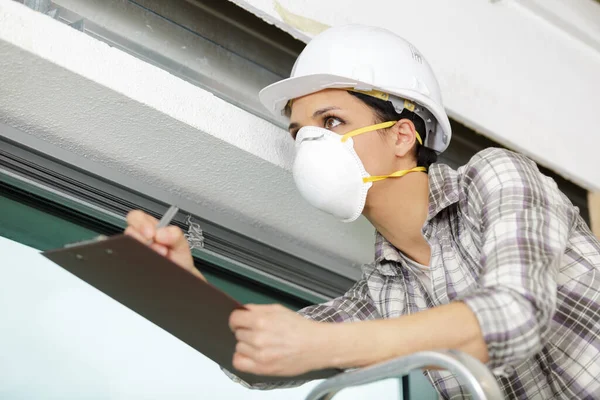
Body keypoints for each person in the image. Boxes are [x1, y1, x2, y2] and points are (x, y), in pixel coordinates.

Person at [125, 25, 600, 399]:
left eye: (331, 121)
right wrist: (182, 288)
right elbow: (254, 361)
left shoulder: (494, 179)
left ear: (401, 135)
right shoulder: (385, 293)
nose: (311, 144)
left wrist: (325, 345)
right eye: (299, 132)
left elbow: (513, 316)